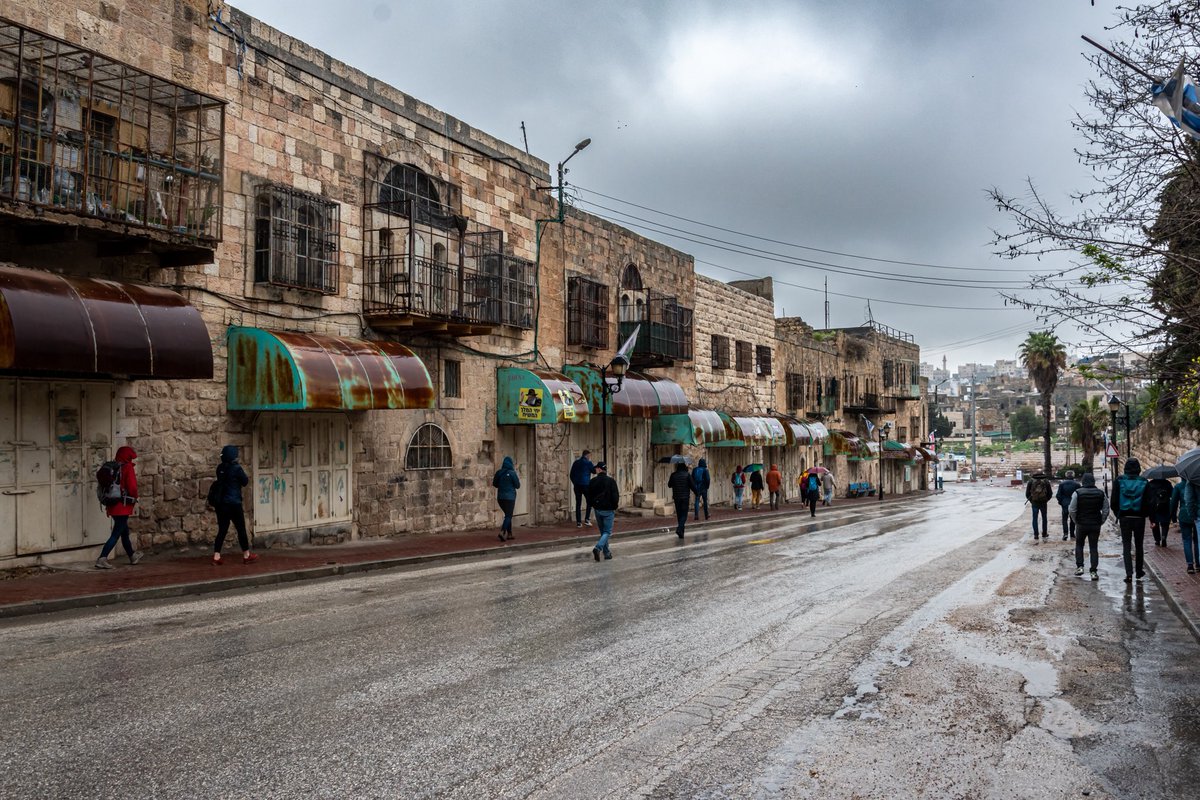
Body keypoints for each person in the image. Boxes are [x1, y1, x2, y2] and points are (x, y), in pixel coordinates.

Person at [95, 445, 143, 569]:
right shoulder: (127, 468)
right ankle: (102, 558)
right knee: (116, 533)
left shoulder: (113, 467)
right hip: (123, 506)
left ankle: (132, 556)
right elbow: (132, 487)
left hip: (112, 504)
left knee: (124, 532)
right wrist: (135, 497)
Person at [212, 444, 257, 565]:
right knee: (241, 529)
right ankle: (246, 555)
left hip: (221, 504)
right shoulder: (236, 468)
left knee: (222, 529)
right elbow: (245, 481)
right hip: (234, 503)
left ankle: (216, 556)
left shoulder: (220, 468)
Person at [1111, 458, 1149, 584]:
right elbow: (1149, 501)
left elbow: (1114, 502)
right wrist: (1145, 514)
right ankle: (1139, 571)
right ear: (1139, 468)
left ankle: (1128, 573)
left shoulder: (1119, 480)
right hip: (1139, 518)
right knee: (1139, 545)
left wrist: (1119, 514)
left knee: (1126, 545)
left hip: (1125, 517)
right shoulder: (1144, 482)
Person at [1069, 472, 1108, 580]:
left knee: (1079, 545)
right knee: (1093, 547)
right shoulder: (1100, 493)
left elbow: (1072, 509)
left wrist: (1075, 520)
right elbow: (1106, 509)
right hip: (1095, 524)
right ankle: (1094, 571)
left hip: (1081, 523)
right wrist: (1102, 521)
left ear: (1083, 481)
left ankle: (1080, 566)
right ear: (1094, 481)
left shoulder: (1078, 493)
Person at [587, 462, 620, 560]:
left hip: (598, 509)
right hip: (608, 509)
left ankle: (607, 553)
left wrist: (593, 505)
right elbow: (615, 496)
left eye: (596, 468)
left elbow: (589, 496)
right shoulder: (611, 481)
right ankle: (598, 548)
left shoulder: (593, 481)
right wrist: (614, 506)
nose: (595, 470)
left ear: (600, 470)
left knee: (603, 532)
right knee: (607, 532)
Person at [1171, 478, 1200, 574]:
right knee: (1197, 540)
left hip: (1184, 515)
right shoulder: (1197, 483)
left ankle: (1190, 565)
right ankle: (1198, 564)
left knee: (1187, 540)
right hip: (1197, 514)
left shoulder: (1178, 486)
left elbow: (1174, 503)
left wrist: (1173, 517)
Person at [492, 456, 520, 541]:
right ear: (510, 464)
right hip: (510, 498)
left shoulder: (499, 473)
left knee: (508, 515)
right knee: (509, 515)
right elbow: (517, 486)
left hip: (500, 498)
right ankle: (502, 531)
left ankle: (510, 534)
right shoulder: (512, 473)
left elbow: (495, 484)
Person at [1145, 475, 1174, 546]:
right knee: (1165, 523)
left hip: (1154, 507)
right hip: (1165, 506)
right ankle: (1164, 537)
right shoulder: (1167, 483)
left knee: (1155, 523)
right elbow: (1172, 494)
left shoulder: (1150, 484)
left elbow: (1147, 496)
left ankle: (1157, 540)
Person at [569, 449, 594, 528]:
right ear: (587, 455)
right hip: (586, 485)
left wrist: (575, 483)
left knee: (578, 503)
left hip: (577, 485)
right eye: (589, 456)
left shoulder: (576, 462)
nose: (590, 457)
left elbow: (571, 474)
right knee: (589, 501)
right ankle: (587, 519)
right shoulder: (589, 463)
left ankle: (579, 522)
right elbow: (593, 471)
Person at [1025, 471, 1052, 543]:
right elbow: (1050, 493)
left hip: (1035, 503)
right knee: (1044, 518)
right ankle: (1044, 533)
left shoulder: (1031, 481)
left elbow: (1027, 493)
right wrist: (1046, 500)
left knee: (1034, 518)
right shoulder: (1046, 481)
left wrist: (1031, 500)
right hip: (1043, 502)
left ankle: (1036, 534)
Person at [667, 461, 692, 538]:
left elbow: (669, 485)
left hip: (677, 497)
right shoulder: (687, 475)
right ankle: (679, 529)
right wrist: (697, 493)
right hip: (685, 498)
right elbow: (692, 485)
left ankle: (681, 532)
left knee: (679, 514)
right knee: (684, 515)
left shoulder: (673, 475)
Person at [1055, 470, 1080, 541]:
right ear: (1073, 476)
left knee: (1064, 519)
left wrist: (1061, 502)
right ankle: (1072, 534)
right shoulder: (1077, 484)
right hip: (1074, 503)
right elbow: (1079, 494)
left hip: (1065, 503)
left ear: (1066, 476)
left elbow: (1058, 495)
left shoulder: (1062, 484)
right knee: (1073, 519)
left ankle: (1065, 533)